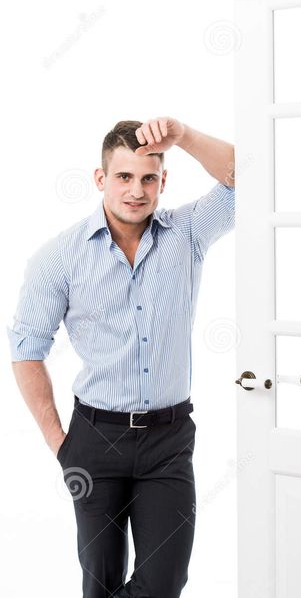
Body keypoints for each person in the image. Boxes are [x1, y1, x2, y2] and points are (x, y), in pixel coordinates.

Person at [6, 116, 235, 598]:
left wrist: (185, 137)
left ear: (163, 181)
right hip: (94, 441)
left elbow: (251, 177)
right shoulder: (59, 258)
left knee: (164, 583)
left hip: (169, 442)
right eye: (124, 177)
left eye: (149, 177)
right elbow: (27, 351)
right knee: (100, 581)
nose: (137, 190)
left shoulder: (187, 233)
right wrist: (60, 444)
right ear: (101, 179)